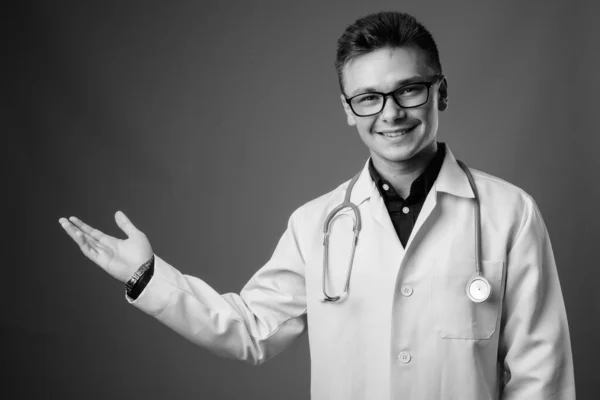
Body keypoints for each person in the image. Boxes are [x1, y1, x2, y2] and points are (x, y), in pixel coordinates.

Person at [58, 11, 575, 400]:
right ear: (348, 110)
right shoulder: (315, 225)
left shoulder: (510, 214)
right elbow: (250, 330)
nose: (390, 113)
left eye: (409, 90)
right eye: (368, 97)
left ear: (441, 92)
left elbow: (540, 372)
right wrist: (148, 277)